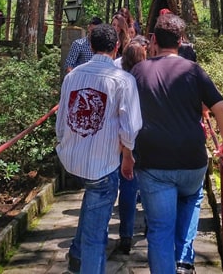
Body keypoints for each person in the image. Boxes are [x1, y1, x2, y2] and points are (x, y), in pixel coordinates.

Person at [130, 12, 223, 274]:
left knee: (160, 230)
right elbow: (221, 108)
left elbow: (127, 114)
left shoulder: (139, 71)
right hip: (191, 160)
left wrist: (127, 152)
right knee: (191, 199)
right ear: (181, 40)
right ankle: (185, 259)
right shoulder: (193, 70)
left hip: (153, 162)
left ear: (153, 39)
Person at [55, 23, 143, 274]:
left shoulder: (73, 76)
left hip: (73, 160)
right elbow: (130, 127)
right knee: (97, 234)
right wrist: (128, 156)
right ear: (117, 47)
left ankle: (76, 254)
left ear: (90, 46)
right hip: (102, 164)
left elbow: (62, 121)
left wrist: (64, 144)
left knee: (91, 200)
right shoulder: (123, 80)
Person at [114, 35, 149, 254]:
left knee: (126, 185)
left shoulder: (117, 74)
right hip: (145, 136)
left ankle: (126, 235)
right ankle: (148, 226)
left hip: (122, 137)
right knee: (147, 184)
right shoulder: (147, 74)